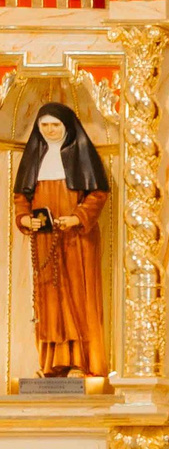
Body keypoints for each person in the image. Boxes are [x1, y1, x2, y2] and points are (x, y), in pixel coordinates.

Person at [12, 103, 111, 377]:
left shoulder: (81, 154)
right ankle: (51, 364)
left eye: (55, 125)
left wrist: (78, 217)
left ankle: (82, 363)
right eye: (44, 125)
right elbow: (22, 197)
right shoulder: (35, 156)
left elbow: (98, 193)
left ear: (67, 127)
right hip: (45, 241)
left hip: (77, 240)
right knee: (49, 301)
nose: (50, 130)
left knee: (78, 298)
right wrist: (24, 219)